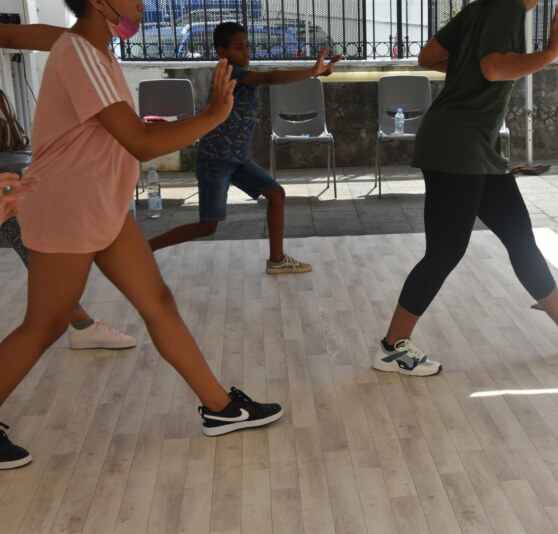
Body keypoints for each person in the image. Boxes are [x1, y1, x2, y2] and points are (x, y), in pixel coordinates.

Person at [0, 0, 282, 470]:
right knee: (45, 324)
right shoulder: (80, 55)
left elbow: (16, 37)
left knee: (159, 302)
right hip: (69, 205)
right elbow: (141, 142)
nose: (143, 4)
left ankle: (221, 408)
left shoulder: (93, 49)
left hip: (101, 202)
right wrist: (214, 113)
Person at [374, 0, 558, 377]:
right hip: (459, 145)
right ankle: (392, 347)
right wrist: (550, 53)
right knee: (445, 251)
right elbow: (494, 66)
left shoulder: (478, 8)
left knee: (518, 235)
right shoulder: (507, 7)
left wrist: (470, 70)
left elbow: (429, 56)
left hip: (475, 145)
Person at [149, 22, 342, 274]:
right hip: (216, 159)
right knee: (207, 226)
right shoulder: (230, 72)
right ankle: (143, 249)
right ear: (222, 51)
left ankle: (277, 260)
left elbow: (270, 78)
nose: (247, 52)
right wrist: (312, 71)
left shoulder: (240, 72)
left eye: (248, 46)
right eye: (239, 47)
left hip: (236, 159)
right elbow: (271, 78)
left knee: (276, 194)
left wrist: (314, 72)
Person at [0, 23, 136, 350]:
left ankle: (81, 323)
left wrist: (91, 40)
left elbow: (23, 35)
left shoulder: (80, 48)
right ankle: (79, 322)